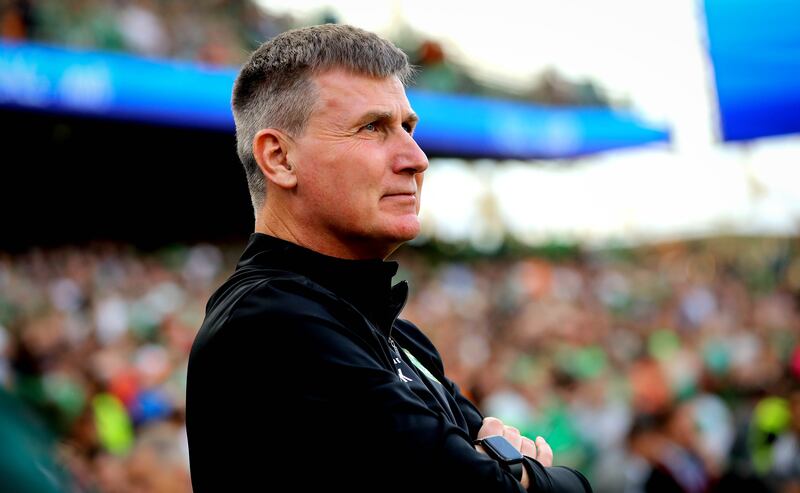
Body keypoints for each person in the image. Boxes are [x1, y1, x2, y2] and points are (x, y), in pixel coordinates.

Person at [185, 24, 592, 492]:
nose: (416, 158)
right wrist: (518, 474)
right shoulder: (269, 323)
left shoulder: (401, 337)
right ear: (279, 158)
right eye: (372, 128)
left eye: (408, 128)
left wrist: (517, 477)